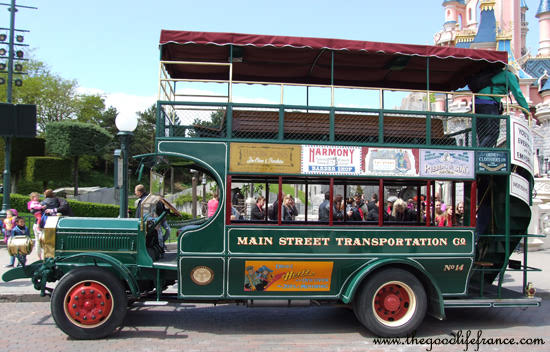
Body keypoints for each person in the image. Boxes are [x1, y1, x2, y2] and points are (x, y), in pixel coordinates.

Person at [474, 65, 529, 148]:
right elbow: (518, 94)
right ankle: (479, 154)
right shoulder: (509, 75)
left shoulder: (493, 76)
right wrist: (527, 111)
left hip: (477, 104)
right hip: (489, 105)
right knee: (493, 133)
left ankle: (481, 156)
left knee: (483, 133)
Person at [28, 192, 44, 260]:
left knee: (38, 241)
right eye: (36, 197)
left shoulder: (37, 202)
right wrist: (41, 207)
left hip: (36, 222)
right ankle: (42, 256)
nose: (37, 198)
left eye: (37, 197)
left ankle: (39, 257)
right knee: (41, 241)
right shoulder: (33, 203)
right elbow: (34, 207)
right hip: (40, 224)